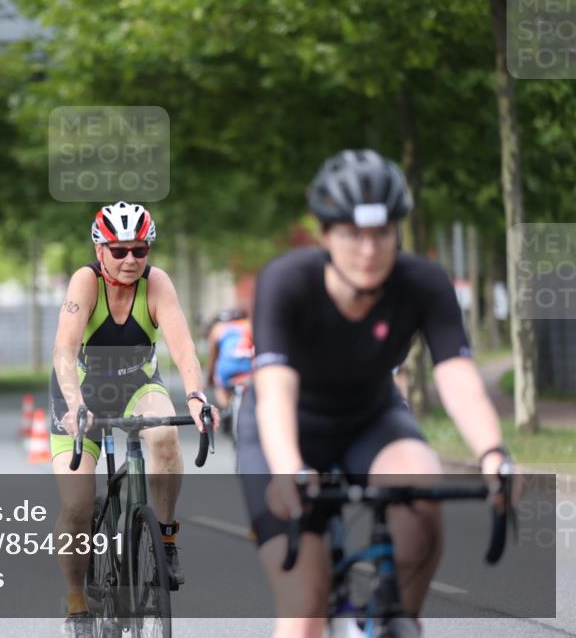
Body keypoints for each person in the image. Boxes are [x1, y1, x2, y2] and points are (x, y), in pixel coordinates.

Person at [237, 149, 516, 637]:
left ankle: (396, 618)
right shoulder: (287, 281)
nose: (368, 251)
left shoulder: (422, 283)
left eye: (382, 234)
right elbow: (275, 387)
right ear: (325, 234)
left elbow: (457, 376)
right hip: (284, 431)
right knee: (305, 607)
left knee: (422, 488)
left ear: (398, 232)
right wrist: (287, 470)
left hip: (371, 418)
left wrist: (493, 454)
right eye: (351, 234)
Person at [51, 201, 219, 636]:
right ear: (100, 248)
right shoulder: (85, 282)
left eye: (140, 250)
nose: (130, 260)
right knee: (76, 505)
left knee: (164, 433)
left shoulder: (156, 283)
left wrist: (198, 396)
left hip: (137, 387)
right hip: (80, 395)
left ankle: (164, 537)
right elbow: (65, 350)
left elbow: (182, 346)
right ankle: (76, 603)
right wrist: (73, 405)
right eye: (120, 250)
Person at [205, 306, 255, 436]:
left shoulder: (218, 329)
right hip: (249, 369)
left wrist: (210, 378)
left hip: (227, 370)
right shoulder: (250, 325)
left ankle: (226, 409)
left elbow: (213, 357)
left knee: (219, 384)